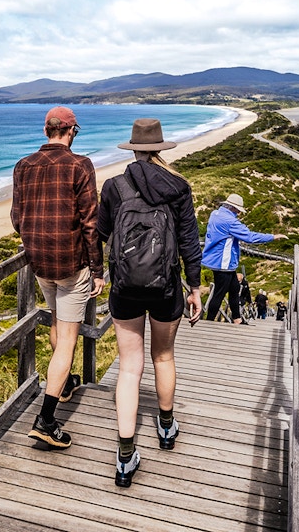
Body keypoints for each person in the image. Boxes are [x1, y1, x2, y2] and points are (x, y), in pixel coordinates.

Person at [97, 118, 202, 487]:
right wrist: (195, 287)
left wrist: (98, 274)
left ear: (133, 148)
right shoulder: (178, 186)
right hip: (166, 288)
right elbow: (190, 242)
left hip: (124, 288)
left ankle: (125, 455)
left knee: (129, 367)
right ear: (159, 148)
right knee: (164, 357)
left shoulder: (113, 186)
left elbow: (101, 236)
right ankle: (166, 425)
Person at [12, 106, 105, 450]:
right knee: (68, 339)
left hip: (40, 264)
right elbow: (90, 225)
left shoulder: (23, 166)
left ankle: (63, 385)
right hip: (71, 266)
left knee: (56, 323)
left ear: (45, 131)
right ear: (71, 132)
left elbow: (17, 219)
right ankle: (47, 419)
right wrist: (98, 270)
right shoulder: (80, 165)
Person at [201, 193, 286, 323]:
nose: (239, 213)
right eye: (238, 210)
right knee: (219, 293)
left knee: (234, 288)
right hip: (224, 262)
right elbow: (249, 237)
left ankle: (237, 319)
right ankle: (208, 322)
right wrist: (272, 237)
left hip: (215, 258)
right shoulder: (230, 221)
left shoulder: (215, 214)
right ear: (233, 208)